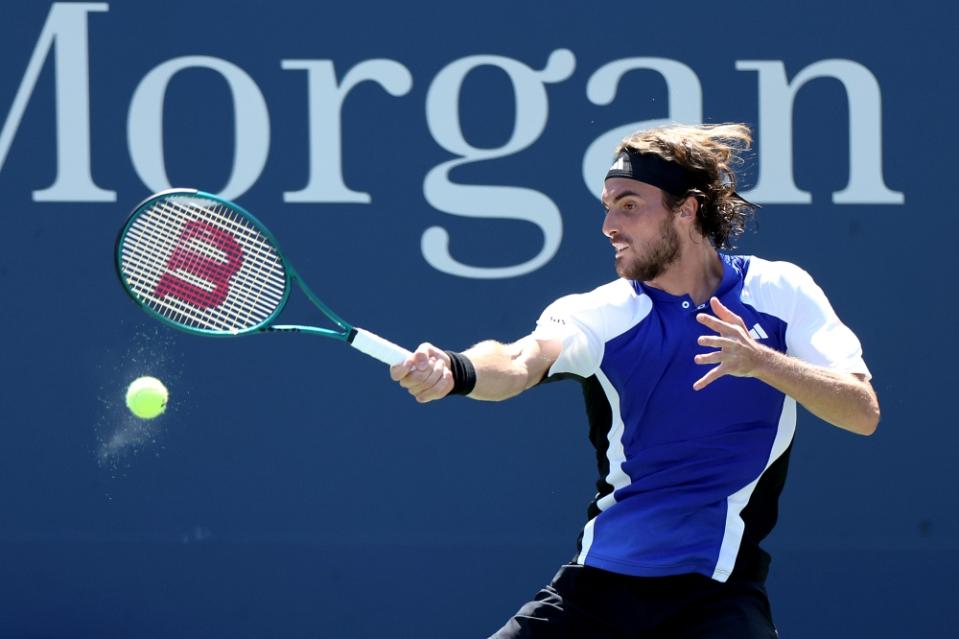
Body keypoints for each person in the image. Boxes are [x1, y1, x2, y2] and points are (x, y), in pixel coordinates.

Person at [390, 123, 879, 639]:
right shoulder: (602, 313)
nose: (608, 224)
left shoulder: (781, 292)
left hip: (719, 596)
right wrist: (456, 369)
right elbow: (518, 361)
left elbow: (862, 412)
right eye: (606, 206)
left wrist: (763, 362)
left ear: (686, 210)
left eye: (628, 205)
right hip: (598, 592)